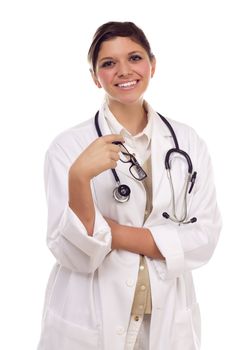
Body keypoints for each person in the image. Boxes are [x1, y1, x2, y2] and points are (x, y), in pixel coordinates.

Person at [37, 21, 221, 350]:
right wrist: (79, 176)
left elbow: (204, 239)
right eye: (108, 63)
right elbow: (75, 255)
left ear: (152, 64)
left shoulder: (188, 143)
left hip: (165, 319)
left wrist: (115, 234)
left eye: (134, 58)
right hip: (91, 317)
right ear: (95, 76)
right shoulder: (68, 148)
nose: (124, 71)